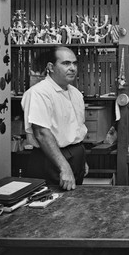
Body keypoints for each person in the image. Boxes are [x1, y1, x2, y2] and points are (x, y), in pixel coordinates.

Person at [21, 46, 89, 190]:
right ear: (51, 67)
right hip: (50, 159)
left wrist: (81, 159)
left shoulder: (76, 93)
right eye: (66, 63)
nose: (72, 68)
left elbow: (75, 129)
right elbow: (42, 133)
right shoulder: (39, 93)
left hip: (75, 155)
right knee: (51, 207)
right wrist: (64, 167)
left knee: (73, 204)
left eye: (74, 63)